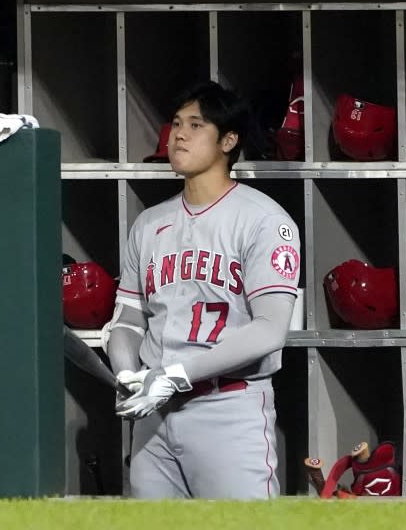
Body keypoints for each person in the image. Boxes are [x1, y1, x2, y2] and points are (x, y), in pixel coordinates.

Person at [106, 81, 300, 499]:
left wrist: (176, 376)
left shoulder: (264, 220)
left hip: (228, 409)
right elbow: (128, 318)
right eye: (177, 123)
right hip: (154, 415)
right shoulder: (149, 223)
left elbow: (270, 330)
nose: (179, 134)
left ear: (228, 140)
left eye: (196, 125)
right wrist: (126, 370)